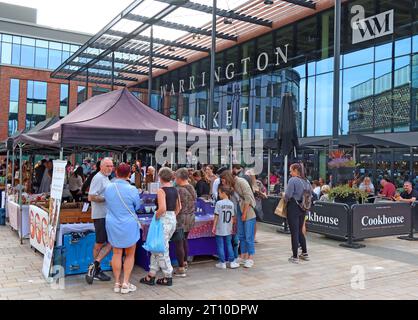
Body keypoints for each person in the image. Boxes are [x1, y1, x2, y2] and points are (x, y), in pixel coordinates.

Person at [104, 163, 141, 294]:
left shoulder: (108, 187)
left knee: (117, 253)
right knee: (130, 254)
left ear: (116, 173)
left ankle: (116, 283)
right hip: (129, 223)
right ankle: (125, 283)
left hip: (113, 222)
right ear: (129, 174)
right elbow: (137, 207)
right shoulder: (132, 189)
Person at [141, 167, 180, 287]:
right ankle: (151, 274)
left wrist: (157, 217)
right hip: (172, 218)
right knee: (157, 247)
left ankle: (168, 276)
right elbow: (179, 207)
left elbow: (162, 208)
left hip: (163, 219)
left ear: (160, 177)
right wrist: (171, 216)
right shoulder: (175, 190)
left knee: (161, 249)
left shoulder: (161, 190)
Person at [86, 158, 114, 285]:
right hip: (100, 215)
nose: (110, 168)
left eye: (111, 166)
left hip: (106, 215)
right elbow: (91, 196)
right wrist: (106, 198)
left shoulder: (105, 177)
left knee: (111, 242)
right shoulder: (98, 177)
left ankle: (95, 265)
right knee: (100, 242)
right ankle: (96, 270)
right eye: (107, 166)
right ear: (101, 167)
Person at [221, 170, 257, 269]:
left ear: (227, 178)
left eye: (223, 180)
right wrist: (237, 215)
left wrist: (244, 213)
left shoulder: (241, 182)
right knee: (241, 235)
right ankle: (243, 256)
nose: (223, 183)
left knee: (248, 236)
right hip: (240, 210)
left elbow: (248, 198)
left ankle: (250, 258)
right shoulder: (233, 186)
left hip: (248, 210)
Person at [284, 163, 311, 264]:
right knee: (300, 230)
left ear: (296, 170)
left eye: (291, 170)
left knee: (294, 232)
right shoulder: (307, 181)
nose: (290, 173)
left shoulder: (293, 180)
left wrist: (284, 197)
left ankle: (295, 256)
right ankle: (304, 253)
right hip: (303, 207)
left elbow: (288, 195)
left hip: (293, 207)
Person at [173, 168, 197, 277]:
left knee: (179, 243)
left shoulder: (179, 190)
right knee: (184, 240)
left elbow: (177, 207)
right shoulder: (192, 187)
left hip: (181, 219)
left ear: (179, 178)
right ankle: (185, 262)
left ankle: (181, 268)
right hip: (190, 218)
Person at [212, 186, 240, 269]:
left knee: (220, 245)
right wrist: (231, 227)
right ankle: (231, 262)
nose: (219, 194)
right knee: (229, 244)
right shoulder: (231, 204)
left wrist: (213, 227)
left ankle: (222, 262)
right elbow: (232, 217)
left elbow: (216, 216)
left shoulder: (218, 203)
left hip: (220, 227)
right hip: (228, 228)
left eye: (219, 193)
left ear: (223, 193)